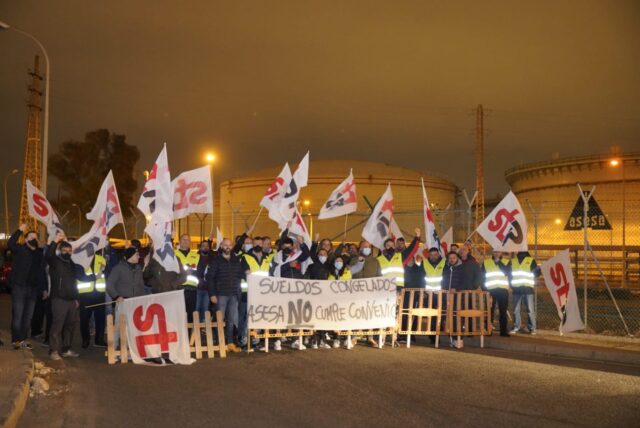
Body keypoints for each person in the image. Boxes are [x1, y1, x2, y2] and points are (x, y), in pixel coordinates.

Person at [46, 232, 95, 360]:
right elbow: (48, 255)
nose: (67, 252)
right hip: (59, 299)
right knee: (57, 326)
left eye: (69, 250)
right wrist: (55, 241)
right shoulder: (55, 262)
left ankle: (66, 349)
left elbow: (78, 280)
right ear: (59, 250)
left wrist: (77, 299)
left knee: (70, 326)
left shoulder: (72, 264)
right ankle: (54, 351)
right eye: (64, 250)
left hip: (72, 300)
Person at [8, 224, 47, 350]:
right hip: (19, 287)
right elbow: (10, 243)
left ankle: (23, 339)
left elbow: (41, 272)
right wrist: (20, 230)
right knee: (18, 315)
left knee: (28, 316)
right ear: (25, 240)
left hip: (33, 289)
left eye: (35, 237)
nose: (33, 239)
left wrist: (44, 288)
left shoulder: (39, 254)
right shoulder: (20, 249)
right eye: (30, 237)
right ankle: (16, 340)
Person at [206, 238, 243, 353]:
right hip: (220, 294)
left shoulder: (236, 259)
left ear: (232, 246)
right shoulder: (216, 260)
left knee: (231, 321)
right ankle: (220, 344)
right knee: (219, 320)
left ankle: (230, 343)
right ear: (221, 246)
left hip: (233, 294)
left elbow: (240, 274)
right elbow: (210, 278)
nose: (227, 247)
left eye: (229, 245)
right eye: (225, 245)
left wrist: (247, 273)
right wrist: (212, 294)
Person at [239, 241, 270, 349]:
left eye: (260, 244)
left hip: (263, 293)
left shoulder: (267, 258)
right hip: (249, 292)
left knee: (260, 316)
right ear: (252, 245)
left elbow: (271, 273)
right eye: (255, 244)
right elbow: (245, 272)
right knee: (248, 318)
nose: (258, 245)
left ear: (263, 245)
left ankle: (256, 341)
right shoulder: (246, 257)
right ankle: (244, 341)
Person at [77, 252, 108, 348]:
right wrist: (95, 277)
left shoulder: (101, 259)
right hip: (85, 294)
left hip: (99, 293)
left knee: (101, 319)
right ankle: (85, 340)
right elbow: (80, 276)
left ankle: (99, 340)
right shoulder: (80, 261)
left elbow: (106, 274)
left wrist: (105, 270)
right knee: (84, 319)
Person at [441, 251, 470, 348]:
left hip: (458, 296)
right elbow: (444, 280)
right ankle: (452, 338)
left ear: (457, 258)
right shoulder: (446, 268)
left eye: (454, 257)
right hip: (448, 296)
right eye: (450, 258)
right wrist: (445, 288)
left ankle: (459, 338)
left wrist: (456, 289)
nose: (452, 259)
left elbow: (466, 282)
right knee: (449, 317)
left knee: (458, 317)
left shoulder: (463, 268)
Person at [482, 251, 511, 337]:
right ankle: (488, 330)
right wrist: (484, 289)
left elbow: (507, 272)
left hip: (502, 290)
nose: (496, 254)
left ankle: (503, 331)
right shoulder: (486, 262)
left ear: (501, 253)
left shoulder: (506, 261)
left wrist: (499, 262)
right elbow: (482, 277)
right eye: (494, 252)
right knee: (489, 311)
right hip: (490, 290)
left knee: (503, 311)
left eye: (498, 252)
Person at [510, 251, 539, 335]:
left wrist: (538, 270)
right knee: (518, 310)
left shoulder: (530, 260)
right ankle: (518, 327)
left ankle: (531, 328)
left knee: (529, 310)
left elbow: (536, 274)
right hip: (518, 289)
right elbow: (510, 274)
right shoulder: (514, 260)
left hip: (526, 288)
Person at [175, 234, 200, 322]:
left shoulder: (196, 255)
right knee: (179, 314)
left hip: (192, 289)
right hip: (178, 288)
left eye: (187, 240)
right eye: (183, 239)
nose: (185, 241)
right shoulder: (173, 254)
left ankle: (189, 335)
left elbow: (199, 272)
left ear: (190, 242)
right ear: (179, 241)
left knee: (190, 315)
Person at [195, 241, 214, 322]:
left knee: (205, 309)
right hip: (197, 288)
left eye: (207, 246)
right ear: (200, 247)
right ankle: (194, 330)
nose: (205, 247)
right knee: (196, 308)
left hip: (207, 289)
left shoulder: (212, 259)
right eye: (203, 246)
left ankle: (202, 329)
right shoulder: (195, 257)